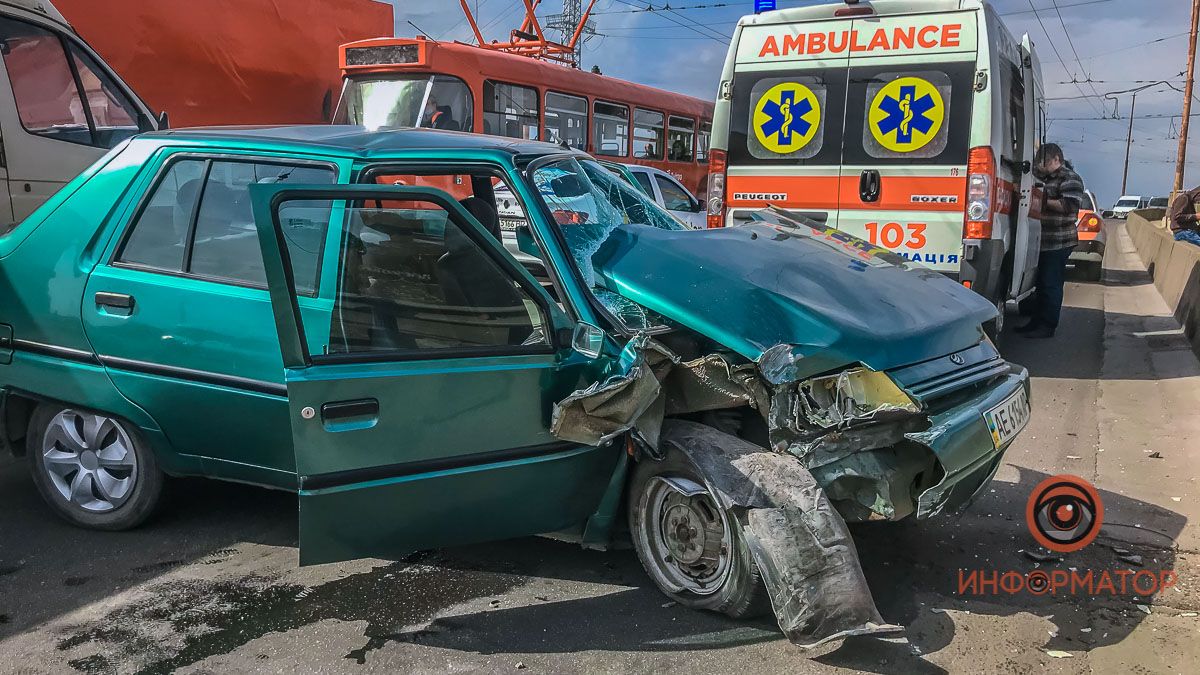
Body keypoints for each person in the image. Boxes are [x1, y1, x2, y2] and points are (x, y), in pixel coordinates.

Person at [1016, 143, 1086, 339]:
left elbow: (1069, 206)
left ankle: (1047, 325)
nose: (1041, 165)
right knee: (1039, 284)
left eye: (1045, 161)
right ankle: (1035, 322)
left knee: (1050, 284)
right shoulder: (1042, 178)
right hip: (1041, 241)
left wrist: (1041, 199)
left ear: (1057, 160)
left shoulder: (1070, 179)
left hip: (1059, 241)